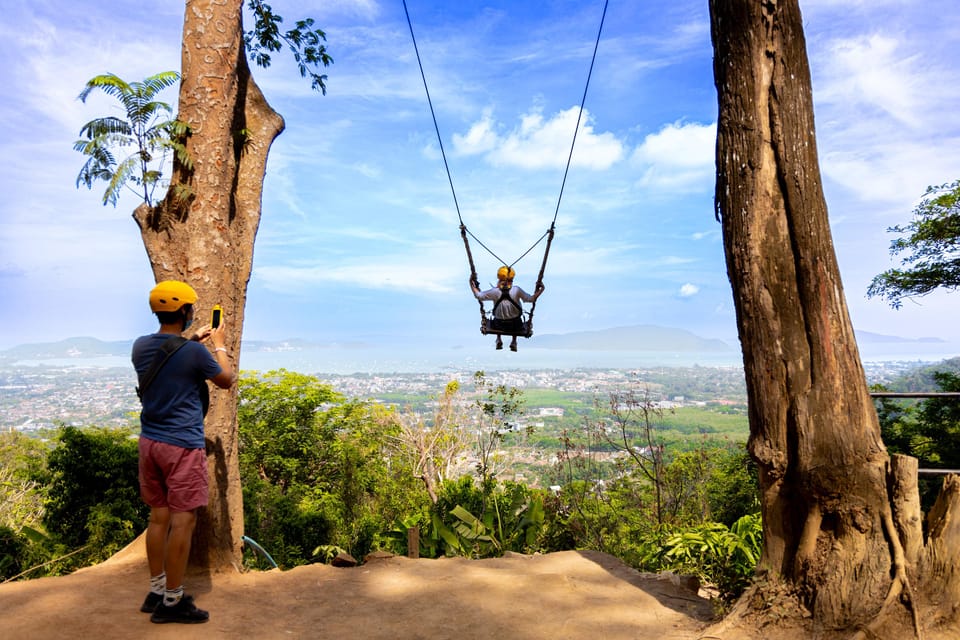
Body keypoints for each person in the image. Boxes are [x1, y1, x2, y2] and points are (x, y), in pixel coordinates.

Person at [132, 280, 236, 624]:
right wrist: (218, 345)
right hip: (181, 446)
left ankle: (157, 589)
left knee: (158, 518)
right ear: (184, 311)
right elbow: (225, 379)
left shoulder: (140, 347)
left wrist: (190, 341)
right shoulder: (193, 354)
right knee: (183, 520)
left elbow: (169, 357)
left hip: (150, 443)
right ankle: (173, 602)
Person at [471, 266, 544, 351]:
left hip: (498, 325)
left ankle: (498, 339)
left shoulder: (494, 291)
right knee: (516, 319)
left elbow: (478, 296)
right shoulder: (517, 290)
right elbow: (531, 299)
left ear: (500, 279)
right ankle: (514, 341)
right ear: (511, 279)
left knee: (496, 319)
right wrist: (541, 290)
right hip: (515, 325)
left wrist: (472, 286)